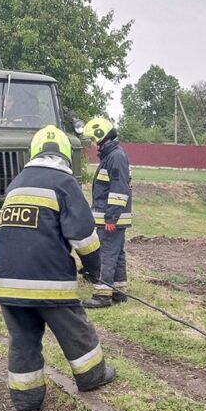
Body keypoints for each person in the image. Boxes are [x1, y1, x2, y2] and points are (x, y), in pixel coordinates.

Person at [0, 125, 116, 411]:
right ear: (65, 155)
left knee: (22, 340)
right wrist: (93, 270)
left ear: (34, 152)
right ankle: (92, 376)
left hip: (6, 281)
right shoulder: (64, 182)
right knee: (74, 328)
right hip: (47, 280)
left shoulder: (16, 184)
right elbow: (84, 237)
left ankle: (26, 400)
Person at [81, 117, 133, 308]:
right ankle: (118, 292)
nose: (93, 145)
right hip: (113, 216)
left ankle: (102, 296)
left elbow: (119, 189)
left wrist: (111, 217)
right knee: (117, 253)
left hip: (111, 218)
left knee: (106, 254)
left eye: (94, 140)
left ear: (101, 137)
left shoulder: (115, 157)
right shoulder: (112, 156)